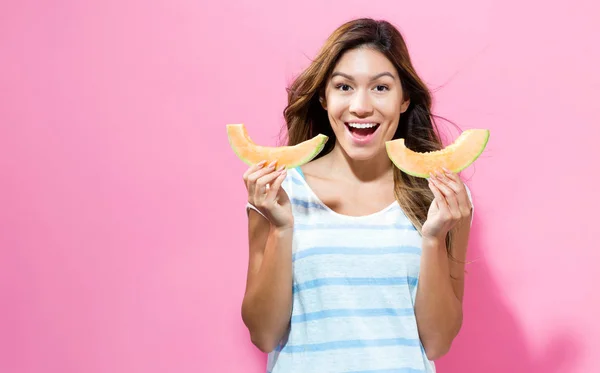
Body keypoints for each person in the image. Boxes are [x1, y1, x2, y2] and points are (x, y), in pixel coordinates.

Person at [240, 17, 474, 373]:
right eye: (344, 87)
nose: (361, 106)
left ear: (404, 99)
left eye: (380, 88)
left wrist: (433, 238)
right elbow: (264, 334)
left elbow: (438, 341)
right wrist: (281, 229)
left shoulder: (441, 199)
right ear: (324, 97)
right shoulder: (279, 191)